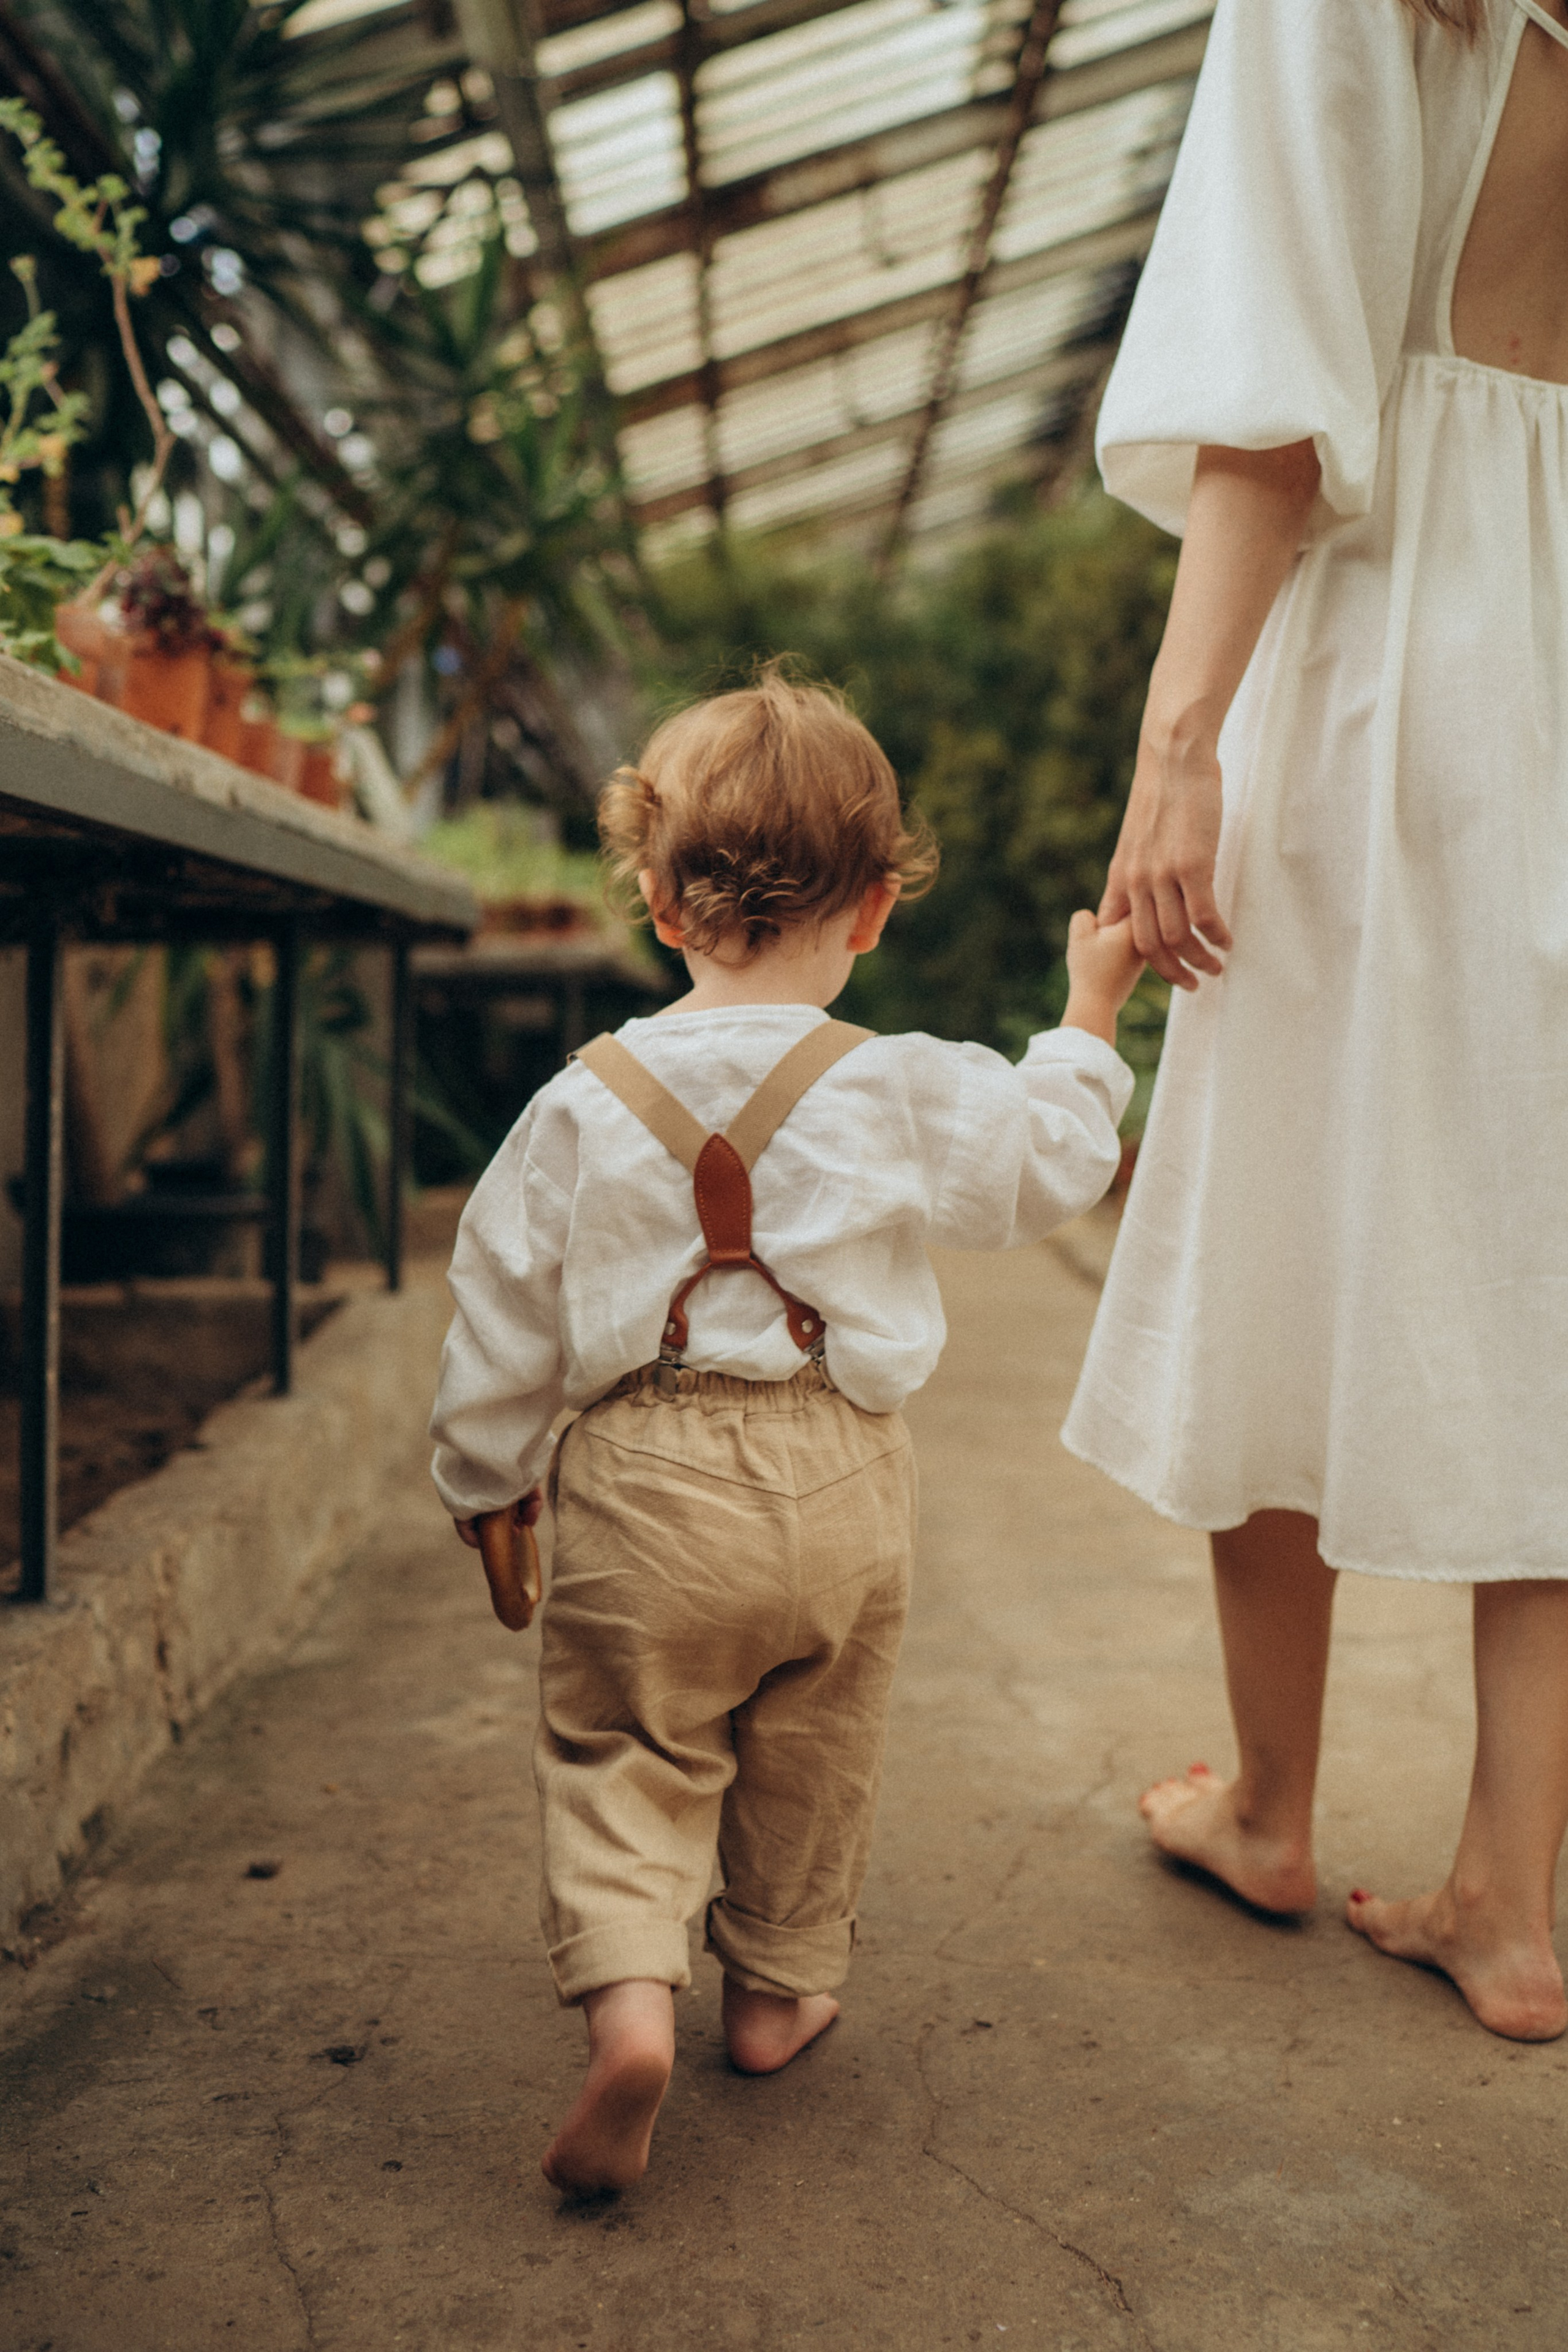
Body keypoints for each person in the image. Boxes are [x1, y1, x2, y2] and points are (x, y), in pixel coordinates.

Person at [431, 671, 1143, 2191]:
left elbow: (498, 1302)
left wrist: (485, 1483)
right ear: (875, 909)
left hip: (638, 1477)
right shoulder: (893, 1085)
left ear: (653, 898)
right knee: (814, 1747)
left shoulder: (578, 1101)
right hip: (838, 1477)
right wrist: (1086, 1014)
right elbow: (1049, 1165)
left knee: (625, 1743)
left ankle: (632, 2005)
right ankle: (776, 1990)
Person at [1061, 0, 1568, 2040]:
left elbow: (1277, 400)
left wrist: (1180, 747)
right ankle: (1517, 1909)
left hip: (1400, 669)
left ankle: (1269, 1809)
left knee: (1291, 1221)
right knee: (1546, 1260)